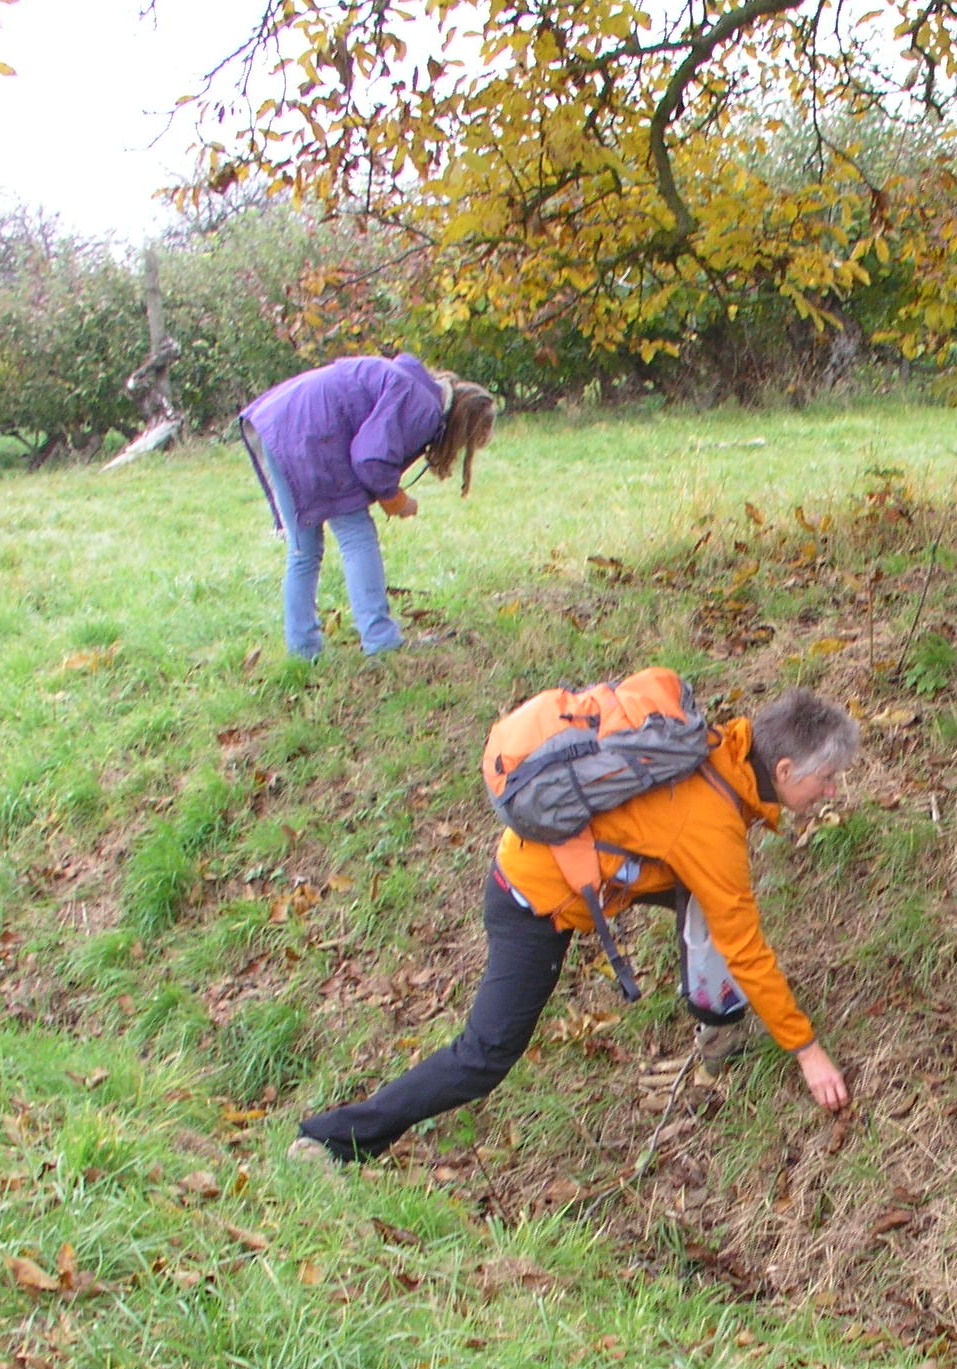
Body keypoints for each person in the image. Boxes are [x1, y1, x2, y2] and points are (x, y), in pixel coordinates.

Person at [292, 686, 859, 1165]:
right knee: (485, 1054)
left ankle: (720, 1030)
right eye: (827, 778)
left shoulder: (715, 753)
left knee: (710, 903)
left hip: (563, 868)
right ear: (783, 770)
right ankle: (335, 1140)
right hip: (530, 900)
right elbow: (745, 947)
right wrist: (807, 1051)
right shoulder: (709, 822)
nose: (832, 792)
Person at [240, 354, 497, 662]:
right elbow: (370, 460)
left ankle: (303, 652)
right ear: (462, 423)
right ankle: (380, 640)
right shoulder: (423, 407)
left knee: (302, 551)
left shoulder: (414, 385)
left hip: (278, 424)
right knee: (357, 537)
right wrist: (397, 501)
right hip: (312, 436)